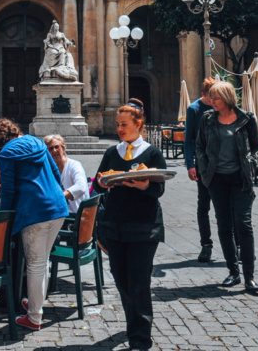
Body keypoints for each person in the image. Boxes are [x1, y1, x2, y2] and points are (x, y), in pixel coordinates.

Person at [92, 99, 167, 351]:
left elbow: (159, 187)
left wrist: (145, 185)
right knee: (122, 279)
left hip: (144, 227)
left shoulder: (152, 153)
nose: (120, 129)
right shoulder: (112, 153)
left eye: (124, 124)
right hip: (115, 226)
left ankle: (140, 338)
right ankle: (132, 323)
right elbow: (98, 182)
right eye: (118, 124)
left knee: (139, 282)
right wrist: (103, 182)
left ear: (138, 124)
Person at [0, 118, 69, 332]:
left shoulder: (6, 153)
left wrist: (3, 218)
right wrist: (55, 193)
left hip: (34, 211)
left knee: (34, 263)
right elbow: (55, 171)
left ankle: (34, 317)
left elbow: (8, 190)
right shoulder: (37, 143)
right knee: (41, 261)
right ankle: (36, 304)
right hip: (57, 207)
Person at [195, 81, 258, 294]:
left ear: (227, 98)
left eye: (216, 98)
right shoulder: (207, 120)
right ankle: (233, 271)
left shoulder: (246, 119)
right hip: (217, 180)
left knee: (243, 225)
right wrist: (205, 169)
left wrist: (252, 163)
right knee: (224, 225)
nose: (212, 102)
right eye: (211, 98)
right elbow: (199, 145)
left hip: (241, 178)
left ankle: (249, 277)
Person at [185, 78, 218, 263]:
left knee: (226, 207)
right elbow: (189, 139)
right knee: (203, 206)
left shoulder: (220, 107)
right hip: (202, 164)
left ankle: (236, 245)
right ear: (204, 95)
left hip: (220, 164)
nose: (215, 101)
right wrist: (190, 164)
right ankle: (206, 245)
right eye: (212, 97)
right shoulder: (194, 109)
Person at [44, 135, 88, 214]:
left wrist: (59, 197)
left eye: (57, 147)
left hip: (77, 215)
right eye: (50, 149)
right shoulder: (48, 169)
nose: (54, 151)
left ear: (63, 148)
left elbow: (81, 186)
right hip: (58, 215)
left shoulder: (74, 165)